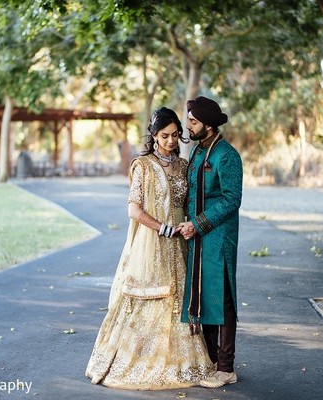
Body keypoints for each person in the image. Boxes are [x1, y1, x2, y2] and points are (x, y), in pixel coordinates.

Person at [85, 107, 214, 390]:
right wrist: (162, 227)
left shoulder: (184, 166)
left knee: (180, 300)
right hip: (153, 243)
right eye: (165, 136)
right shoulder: (142, 166)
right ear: (154, 136)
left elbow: (189, 202)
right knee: (147, 299)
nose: (171, 140)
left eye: (175, 135)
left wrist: (190, 225)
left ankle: (180, 362)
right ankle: (139, 359)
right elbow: (133, 209)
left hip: (181, 243)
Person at [178, 96, 243, 388]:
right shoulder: (196, 152)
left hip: (218, 236)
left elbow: (232, 199)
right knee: (203, 295)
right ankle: (213, 361)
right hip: (198, 237)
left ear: (207, 124)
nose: (188, 126)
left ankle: (226, 367)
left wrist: (199, 224)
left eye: (192, 121)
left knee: (223, 294)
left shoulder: (226, 155)